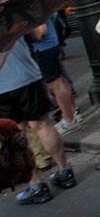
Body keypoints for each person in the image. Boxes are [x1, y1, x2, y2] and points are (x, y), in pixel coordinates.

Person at [1, 30, 76, 204]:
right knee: (43, 125)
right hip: (26, 75)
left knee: (15, 136)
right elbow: (37, 34)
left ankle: (36, 186)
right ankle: (64, 171)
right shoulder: (11, 8)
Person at [29, 14, 80, 136]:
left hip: (43, 48)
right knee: (60, 81)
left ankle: (69, 119)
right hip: (49, 45)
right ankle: (72, 113)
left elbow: (41, 31)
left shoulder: (34, 8)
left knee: (56, 84)